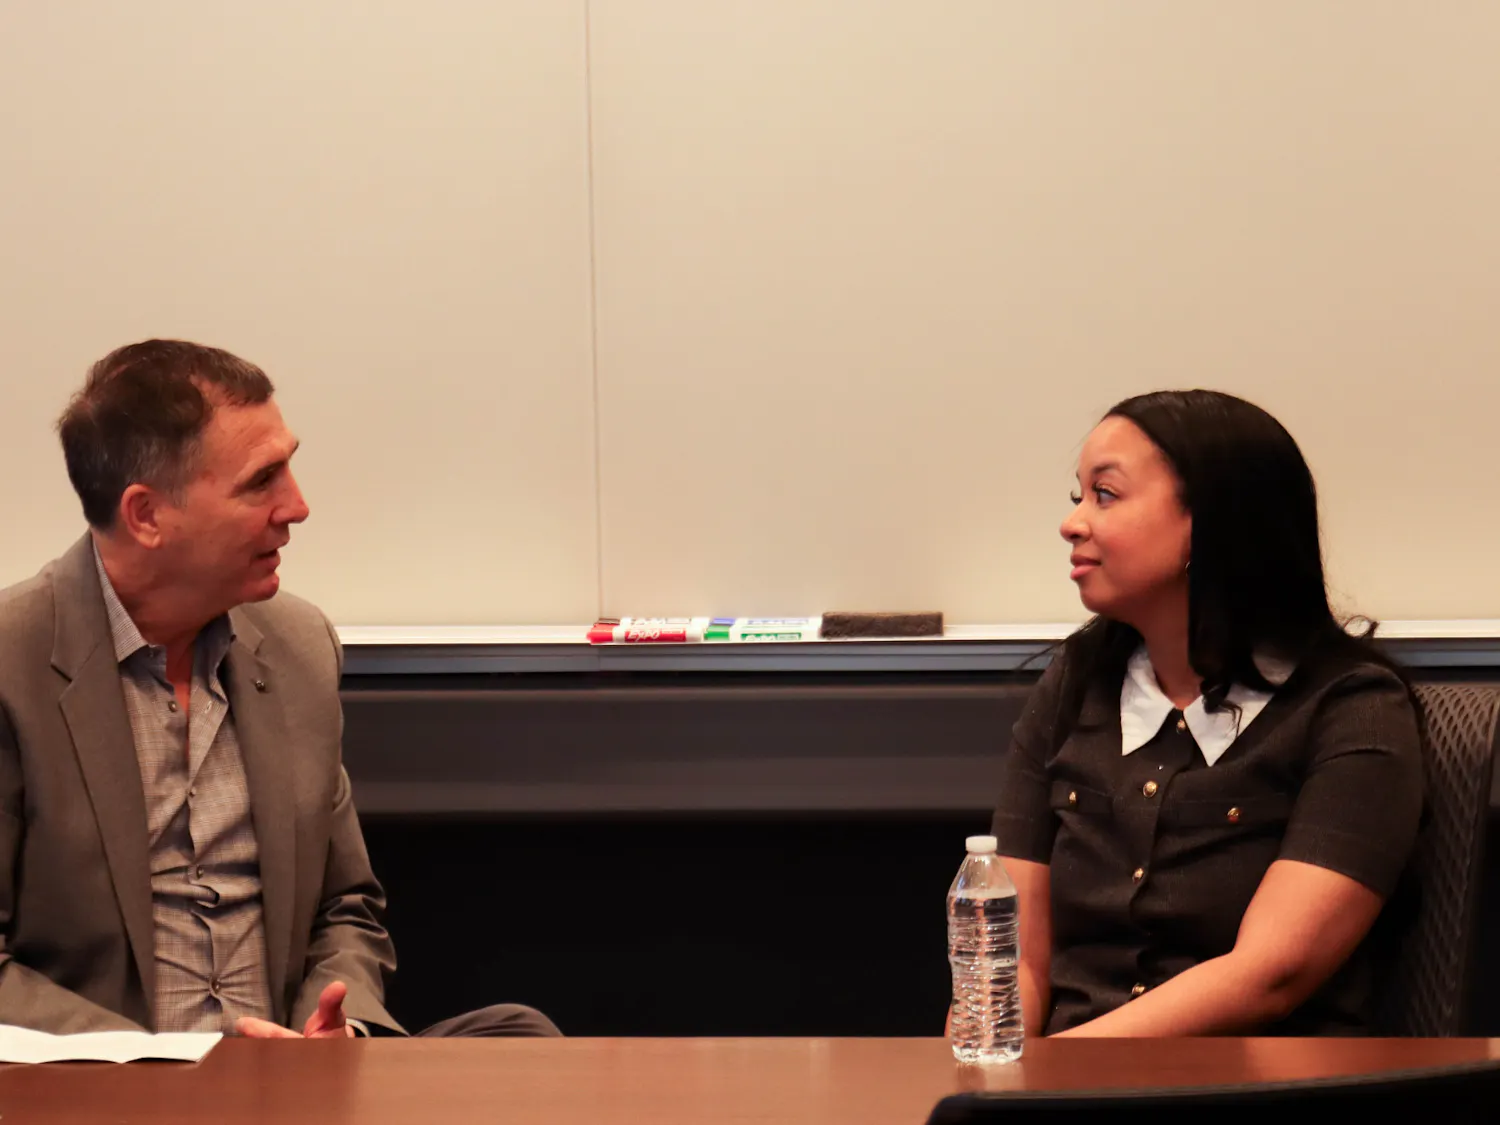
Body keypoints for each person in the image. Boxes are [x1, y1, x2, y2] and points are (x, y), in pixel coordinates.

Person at [0, 339, 557, 1039]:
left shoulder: (297, 646)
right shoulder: (14, 664)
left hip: (293, 1075)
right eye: (261, 480)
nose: (297, 506)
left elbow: (345, 907)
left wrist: (338, 1027)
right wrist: (158, 1061)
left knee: (519, 1034)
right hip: (111, 1082)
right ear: (146, 516)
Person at [988, 390, 1423, 1037]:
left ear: (1210, 521)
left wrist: (1055, 1071)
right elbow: (1010, 961)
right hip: (1063, 1074)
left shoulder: (1352, 708)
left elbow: (1269, 974)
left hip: (1254, 1080)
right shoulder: (1078, 682)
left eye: (1104, 495)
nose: (1072, 524)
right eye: (1078, 496)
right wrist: (985, 1071)